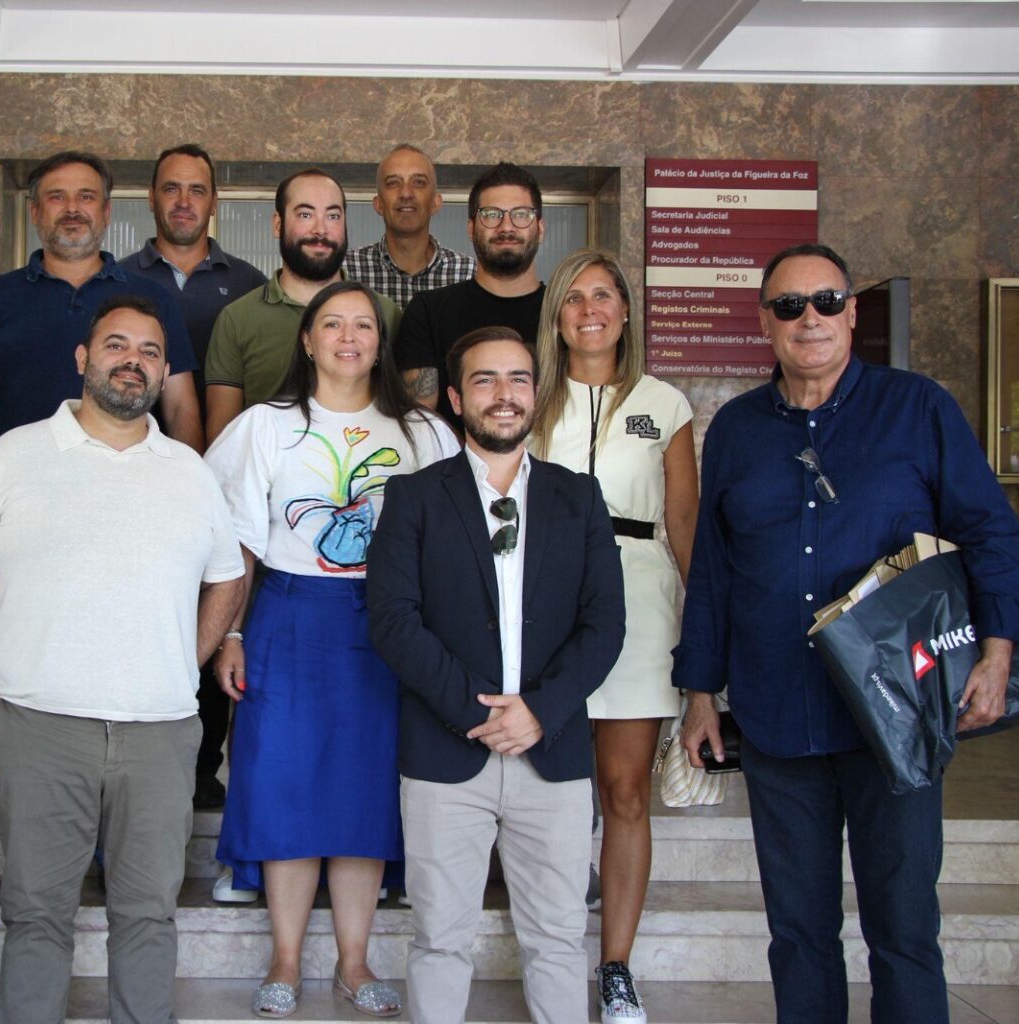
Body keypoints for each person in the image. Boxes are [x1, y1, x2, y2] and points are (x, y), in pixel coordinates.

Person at [674, 243, 1019, 1023]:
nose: (808, 318)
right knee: (798, 931)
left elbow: (989, 529)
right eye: (789, 306)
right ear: (764, 322)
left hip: (899, 711)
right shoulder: (738, 429)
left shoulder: (918, 408)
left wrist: (998, 649)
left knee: (904, 926)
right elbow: (714, 569)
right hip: (779, 712)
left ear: (851, 312)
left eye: (825, 301)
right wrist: (700, 692)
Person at [0, 294, 246, 1024]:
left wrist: (184, 660)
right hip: (39, 726)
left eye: (149, 352)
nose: (132, 361)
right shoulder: (14, 455)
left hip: (159, 732)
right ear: (83, 358)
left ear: (164, 373)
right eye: (116, 345)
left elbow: (228, 577)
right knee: (36, 913)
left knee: (148, 913)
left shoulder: (188, 470)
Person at [205, 280, 457, 1018]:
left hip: (387, 628)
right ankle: (284, 959)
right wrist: (230, 632)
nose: (349, 337)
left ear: (381, 343)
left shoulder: (423, 433)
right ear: (307, 340)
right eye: (333, 325)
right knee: (282, 779)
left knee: (364, 791)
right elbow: (236, 544)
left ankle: (354, 961)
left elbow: (449, 547)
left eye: (364, 326)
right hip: (288, 618)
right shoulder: (265, 426)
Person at [367, 327, 626, 1024]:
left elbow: (605, 624)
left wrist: (539, 711)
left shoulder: (579, 497)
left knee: (558, 940)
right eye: (484, 379)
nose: (504, 394)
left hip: (553, 753)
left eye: (518, 379)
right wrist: (479, 713)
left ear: (536, 395)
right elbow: (392, 621)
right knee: (440, 940)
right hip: (446, 754)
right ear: (456, 399)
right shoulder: (414, 496)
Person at [529, 249, 698, 1024]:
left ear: (626, 312)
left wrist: (706, 636)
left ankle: (616, 966)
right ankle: (554, 954)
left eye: (603, 296)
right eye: (574, 298)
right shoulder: (531, 398)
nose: (589, 309)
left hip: (641, 599)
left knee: (625, 792)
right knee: (553, 796)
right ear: (557, 316)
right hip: (547, 601)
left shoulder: (665, 403)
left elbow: (683, 522)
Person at [118, 142, 268, 809]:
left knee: (213, 615)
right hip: (131, 486)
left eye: (197, 190)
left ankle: (204, 769)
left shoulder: (251, 284)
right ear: (152, 198)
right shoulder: (119, 280)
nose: (184, 202)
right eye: (171, 188)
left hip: (220, 486)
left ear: (214, 202)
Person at [0, 150, 203, 471]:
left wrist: (189, 483)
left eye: (86, 197)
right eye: (57, 197)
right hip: (19, 484)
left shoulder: (153, 299)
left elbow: (180, 409)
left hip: (128, 485)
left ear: (106, 212)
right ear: (35, 211)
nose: (72, 209)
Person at [205, 166, 399, 443]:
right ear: (277, 224)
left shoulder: (385, 314)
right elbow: (223, 439)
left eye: (333, 216)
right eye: (305, 215)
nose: (320, 229)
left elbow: (406, 419)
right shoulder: (237, 319)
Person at [395, 162, 546, 428]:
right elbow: (421, 425)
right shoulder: (428, 312)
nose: (506, 226)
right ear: (471, 228)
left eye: (521, 214)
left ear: (540, 228)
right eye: (491, 215)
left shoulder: (566, 313)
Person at [344, 143, 475, 309]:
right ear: (378, 204)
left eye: (418, 182)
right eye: (393, 183)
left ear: (435, 203)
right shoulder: (347, 272)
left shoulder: (468, 273)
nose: (406, 193)